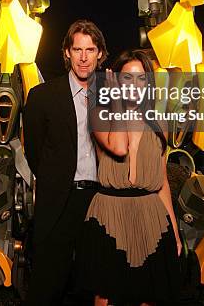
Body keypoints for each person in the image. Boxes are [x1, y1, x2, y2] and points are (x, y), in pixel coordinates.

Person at [77, 49, 183, 306]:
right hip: (110, 215)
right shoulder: (101, 115)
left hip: (150, 216)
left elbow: (162, 183)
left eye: (141, 78)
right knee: (105, 297)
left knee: (150, 296)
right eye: (126, 79)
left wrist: (176, 233)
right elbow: (119, 146)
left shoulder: (159, 123)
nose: (134, 86)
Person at [22, 19, 108, 306]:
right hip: (59, 198)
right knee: (48, 283)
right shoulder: (42, 96)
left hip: (100, 200)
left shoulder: (111, 95)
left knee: (92, 282)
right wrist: (53, 180)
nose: (84, 57)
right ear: (67, 53)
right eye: (78, 49)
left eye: (91, 49)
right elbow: (34, 152)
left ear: (100, 54)